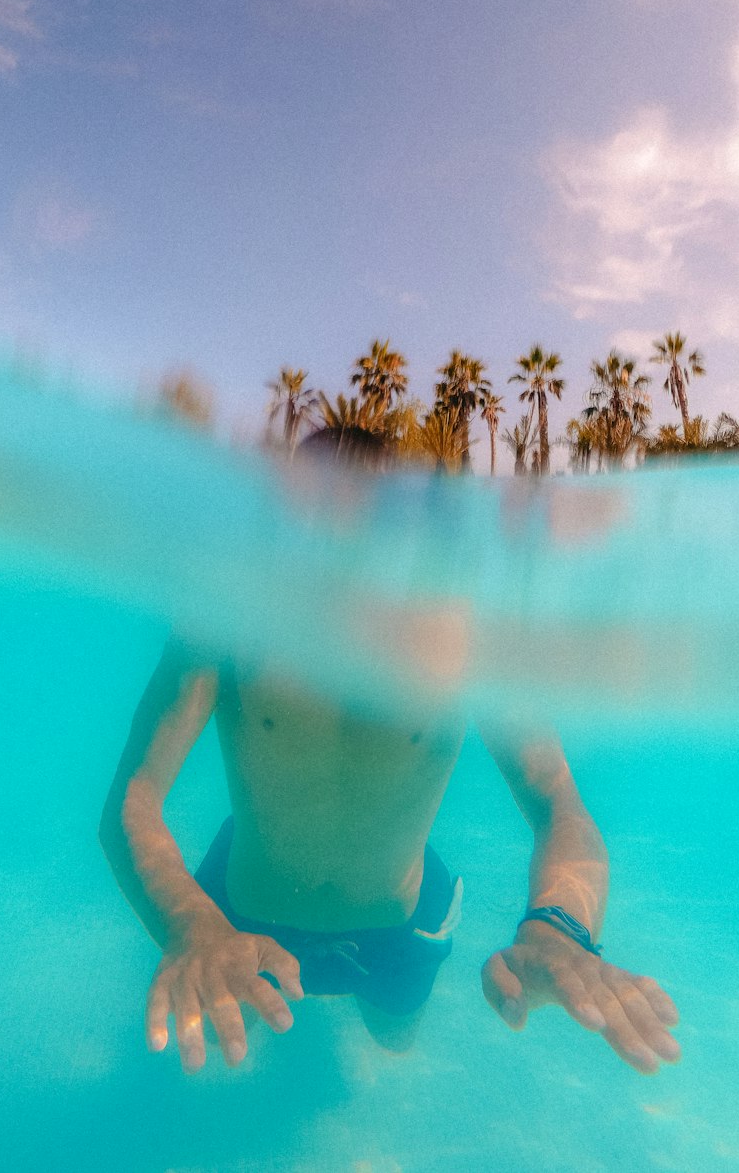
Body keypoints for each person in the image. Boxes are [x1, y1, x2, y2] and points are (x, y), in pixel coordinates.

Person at [99, 431, 680, 1074]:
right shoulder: (228, 621)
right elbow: (134, 797)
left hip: (395, 932)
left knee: (393, 1041)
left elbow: (556, 798)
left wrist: (560, 928)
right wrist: (191, 925)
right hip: (234, 918)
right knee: (210, 1056)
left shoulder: (471, 635)